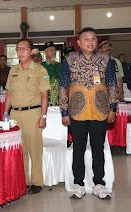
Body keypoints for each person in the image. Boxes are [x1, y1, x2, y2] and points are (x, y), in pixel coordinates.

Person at [59, 27, 119, 199]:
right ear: (78, 42)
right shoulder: (70, 61)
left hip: (100, 111)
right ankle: (78, 184)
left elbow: (112, 85)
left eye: (93, 38)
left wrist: (112, 108)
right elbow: (63, 87)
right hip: (77, 112)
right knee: (78, 149)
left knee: (98, 149)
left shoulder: (106, 60)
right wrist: (64, 111)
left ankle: (99, 183)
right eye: (86, 39)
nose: (90, 41)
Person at [4, 38, 50, 194]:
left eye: (24, 48)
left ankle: (37, 182)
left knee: (34, 149)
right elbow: (9, 93)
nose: (20, 51)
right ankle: (23, 181)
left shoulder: (39, 70)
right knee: (19, 149)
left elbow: (45, 95)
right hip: (15, 114)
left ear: (31, 51)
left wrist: (43, 116)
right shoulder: (13, 70)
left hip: (33, 113)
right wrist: (5, 113)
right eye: (18, 49)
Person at [41, 41, 61, 106]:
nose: (54, 52)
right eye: (51, 50)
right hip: (46, 100)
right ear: (45, 53)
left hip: (59, 101)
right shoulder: (41, 66)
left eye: (55, 50)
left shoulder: (60, 66)